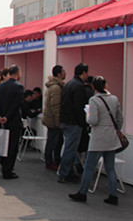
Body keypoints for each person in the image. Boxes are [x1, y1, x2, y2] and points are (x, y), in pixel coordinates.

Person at [69, 76, 124, 205]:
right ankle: (113, 195)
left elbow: (93, 120)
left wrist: (87, 115)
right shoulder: (114, 99)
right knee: (110, 168)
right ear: (105, 85)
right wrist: (116, 129)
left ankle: (82, 192)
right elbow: (119, 118)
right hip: (111, 137)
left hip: (98, 137)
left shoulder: (94, 100)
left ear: (94, 87)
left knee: (89, 167)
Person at [57, 63, 90, 184]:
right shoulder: (79, 86)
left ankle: (69, 172)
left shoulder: (68, 84)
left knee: (69, 148)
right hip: (73, 123)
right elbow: (79, 107)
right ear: (84, 73)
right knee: (70, 149)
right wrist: (83, 123)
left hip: (65, 121)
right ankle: (64, 173)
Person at [0, 65, 25, 179]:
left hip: (2, 120)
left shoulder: (0, 87)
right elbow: (16, 104)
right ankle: (8, 169)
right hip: (13, 120)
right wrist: (7, 116)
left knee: (3, 145)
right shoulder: (19, 87)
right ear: (18, 73)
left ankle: (4, 166)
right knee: (12, 146)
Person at [43, 65, 66, 170]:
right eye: (63, 71)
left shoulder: (52, 86)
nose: (65, 73)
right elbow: (56, 106)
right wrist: (58, 120)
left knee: (54, 141)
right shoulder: (56, 88)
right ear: (59, 74)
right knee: (54, 142)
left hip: (50, 118)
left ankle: (52, 160)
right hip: (53, 120)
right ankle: (50, 162)